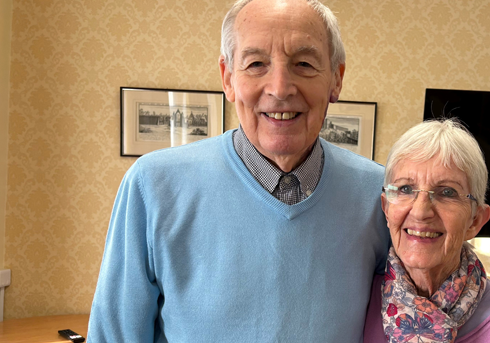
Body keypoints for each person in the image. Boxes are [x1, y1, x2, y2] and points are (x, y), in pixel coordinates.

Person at [87, 0, 389, 341]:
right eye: (256, 63)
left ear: (336, 79)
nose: (279, 88)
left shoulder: (379, 193)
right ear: (228, 78)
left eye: (304, 64)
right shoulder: (153, 186)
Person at [363, 119, 490, 343]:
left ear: (475, 220)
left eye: (447, 192)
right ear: (386, 208)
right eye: (405, 188)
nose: (420, 211)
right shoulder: (356, 303)